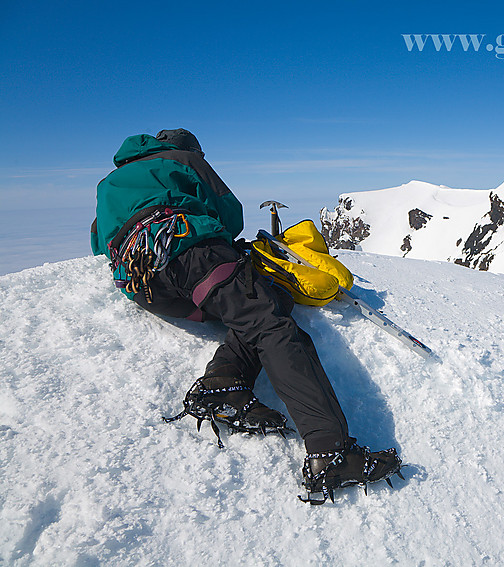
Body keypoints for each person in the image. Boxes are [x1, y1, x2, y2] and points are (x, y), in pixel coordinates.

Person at [91, 128, 401, 504]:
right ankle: (329, 452)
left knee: (261, 309)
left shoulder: (107, 184)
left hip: (144, 284)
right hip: (191, 253)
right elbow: (229, 213)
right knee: (273, 328)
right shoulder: (184, 160)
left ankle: (223, 383)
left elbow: (98, 240)